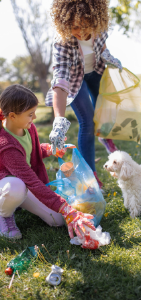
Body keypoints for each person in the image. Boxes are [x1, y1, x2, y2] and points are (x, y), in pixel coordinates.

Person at [0, 84, 95, 239]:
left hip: (24, 185)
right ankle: (4, 214)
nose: (35, 117)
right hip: (8, 186)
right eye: (30, 114)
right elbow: (32, 182)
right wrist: (66, 208)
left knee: (57, 220)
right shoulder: (5, 144)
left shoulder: (28, 127)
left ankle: (15, 204)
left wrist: (50, 150)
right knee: (16, 187)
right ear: (12, 116)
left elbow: (32, 151)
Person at [45, 0, 122, 189]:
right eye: (75, 27)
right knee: (88, 122)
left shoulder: (100, 28)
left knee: (104, 111)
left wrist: (107, 56)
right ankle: (91, 176)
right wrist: (59, 122)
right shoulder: (62, 42)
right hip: (74, 80)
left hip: (96, 72)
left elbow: (101, 46)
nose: (80, 32)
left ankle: (105, 136)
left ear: (95, 20)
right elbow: (60, 79)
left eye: (85, 26)